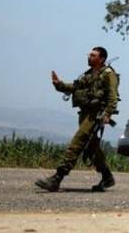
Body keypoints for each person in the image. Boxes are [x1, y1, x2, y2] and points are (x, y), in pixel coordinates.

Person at [35, 46, 120, 192]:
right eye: (89, 55)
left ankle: (57, 178)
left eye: (93, 55)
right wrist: (59, 84)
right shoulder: (87, 75)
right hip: (84, 114)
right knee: (92, 148)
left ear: (101, 59)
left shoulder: (108, 74)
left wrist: (107, 114)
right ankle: (107, 177)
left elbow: (113, 96)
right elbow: (74, 87)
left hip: (96, 115)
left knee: (77, 143)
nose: (89, 57)